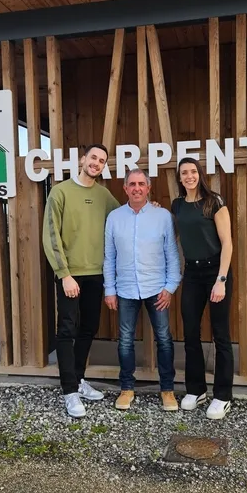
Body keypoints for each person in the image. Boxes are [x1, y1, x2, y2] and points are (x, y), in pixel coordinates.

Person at [42, 144, 120, 418]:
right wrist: (64, 274)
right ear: (83, 159)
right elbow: (51, 236)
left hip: (95, 274)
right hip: (70, 275)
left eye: (101, 160)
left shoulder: (103, 195)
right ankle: (69, 392)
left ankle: (78, 379)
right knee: (66, 330)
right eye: (93, 158)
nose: (96, 163)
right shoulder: (60, 191)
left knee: (88, 328)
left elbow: (122, 218)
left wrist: (149, 208)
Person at [103, 169, 181, 412]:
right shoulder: (114, 217)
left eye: (141, 184)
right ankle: (127, 388)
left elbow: (172, 254)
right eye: (131, 184)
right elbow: (109, 257)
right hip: (125, 289)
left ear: (148, 188)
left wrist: (170, 287)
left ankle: (167, 390)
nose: (136, 188)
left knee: (164, 340)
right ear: (125, 189)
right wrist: (110, 289)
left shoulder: (162, 216)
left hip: (157, 288)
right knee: (125, 340)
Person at [170, 157, 234, 420]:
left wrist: (221, 280)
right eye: (184, 173)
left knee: (220, 334)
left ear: (200, 174)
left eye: (193, 171)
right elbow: (172, 233)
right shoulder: (177, 205)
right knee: (191, 334)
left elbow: (227, 243)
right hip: (193, 273)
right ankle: (196, 390)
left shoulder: (214, 201)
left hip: (215, 271)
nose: (189, 176)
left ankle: (223, 395)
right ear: (180, 178)